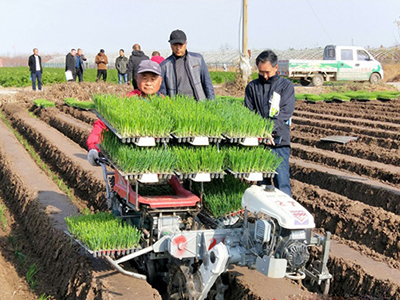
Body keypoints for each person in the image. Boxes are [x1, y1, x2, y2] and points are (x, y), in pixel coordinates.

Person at [87, 60, 163, 165]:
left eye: (153, 79)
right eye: (144, 78)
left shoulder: (166, 104)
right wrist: (94, 147)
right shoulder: (124, 101)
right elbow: (102, 125)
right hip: (128, 160)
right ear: (136, 78)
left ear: (160, 81)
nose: (149, 83)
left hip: (159, 161)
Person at [244, 50, 295, 197]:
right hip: (259, 144)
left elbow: (285, 113)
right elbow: (249, 113)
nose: (265, 76)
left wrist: (269, 130)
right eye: (261, 72)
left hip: (279, 143)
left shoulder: (286, 86)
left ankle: (282, 218)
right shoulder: (252, 87)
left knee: (282, 184)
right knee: (262, 186)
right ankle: (264, 218)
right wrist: (260, 133)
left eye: (267, 72)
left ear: (276, 68)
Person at [159, 29, 215, 100]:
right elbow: (163, 92)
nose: (178, 48)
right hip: (177, 106)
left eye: (181, 44)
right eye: (175, 44)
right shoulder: (164, 66)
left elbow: (207, 84)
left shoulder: (197, 59)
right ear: (170, 45)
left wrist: (211, 103)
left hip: (198, 103)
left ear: (186, 43)